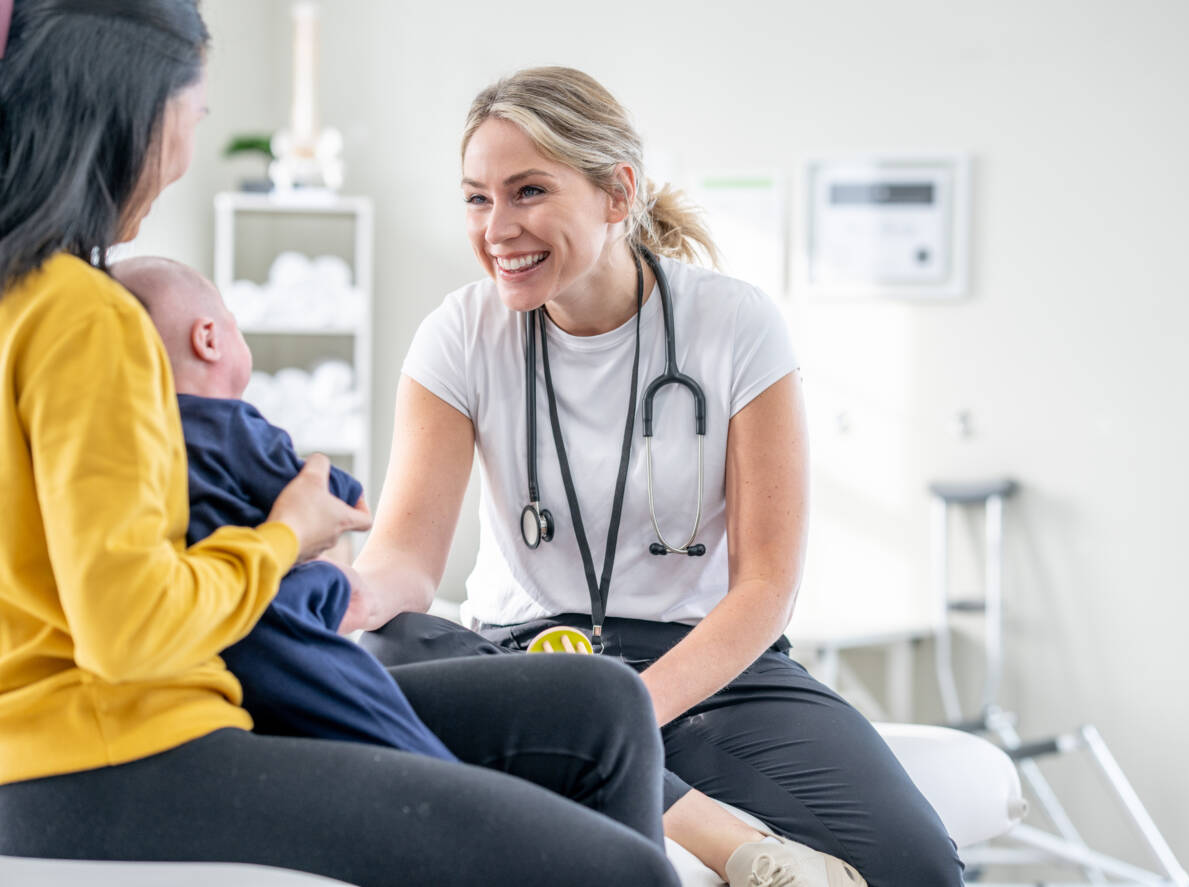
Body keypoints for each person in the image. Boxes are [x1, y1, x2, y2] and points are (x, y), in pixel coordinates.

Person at [0, 6, 678, 886]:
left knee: (602, 700)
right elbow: (129, 631)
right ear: (135, 108)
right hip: (111, 743)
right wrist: (289, 529)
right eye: (192, 115)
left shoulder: (38, 293)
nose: (189, 149)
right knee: (626, 873)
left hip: (106, 721)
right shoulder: (80, 313)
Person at [353, 66, 965, 887]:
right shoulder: (459, 334)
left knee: (917, 865)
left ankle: (609, 760)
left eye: (528, 190)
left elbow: (766, 586)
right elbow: (407, 564)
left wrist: (625, 708)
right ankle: (722, 838)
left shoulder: (733, 324)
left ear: (617, 193)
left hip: (708, 665)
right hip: (528, 662)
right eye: (476, 197)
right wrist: (341, 596)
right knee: (386, 645)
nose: (497, 227)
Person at [111, 256, 453, 760]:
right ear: (209, 339)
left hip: (202, 647)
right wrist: (335, 488)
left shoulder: (127, 444)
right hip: (277, 629)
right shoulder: (229, 426)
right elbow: (335, 496)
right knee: (405, 745)